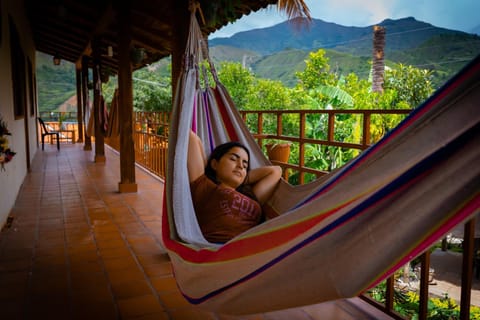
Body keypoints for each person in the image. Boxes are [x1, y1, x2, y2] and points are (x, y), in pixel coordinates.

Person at [188, 131, 282, 243]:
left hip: (251, 249)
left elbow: (276, 171)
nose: (241, 165)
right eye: (233, 159)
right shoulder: (205, 186)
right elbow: (190, 138)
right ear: (215, 164)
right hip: (218, 248)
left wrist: (241, 176)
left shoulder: (252, 195)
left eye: (245, 165)